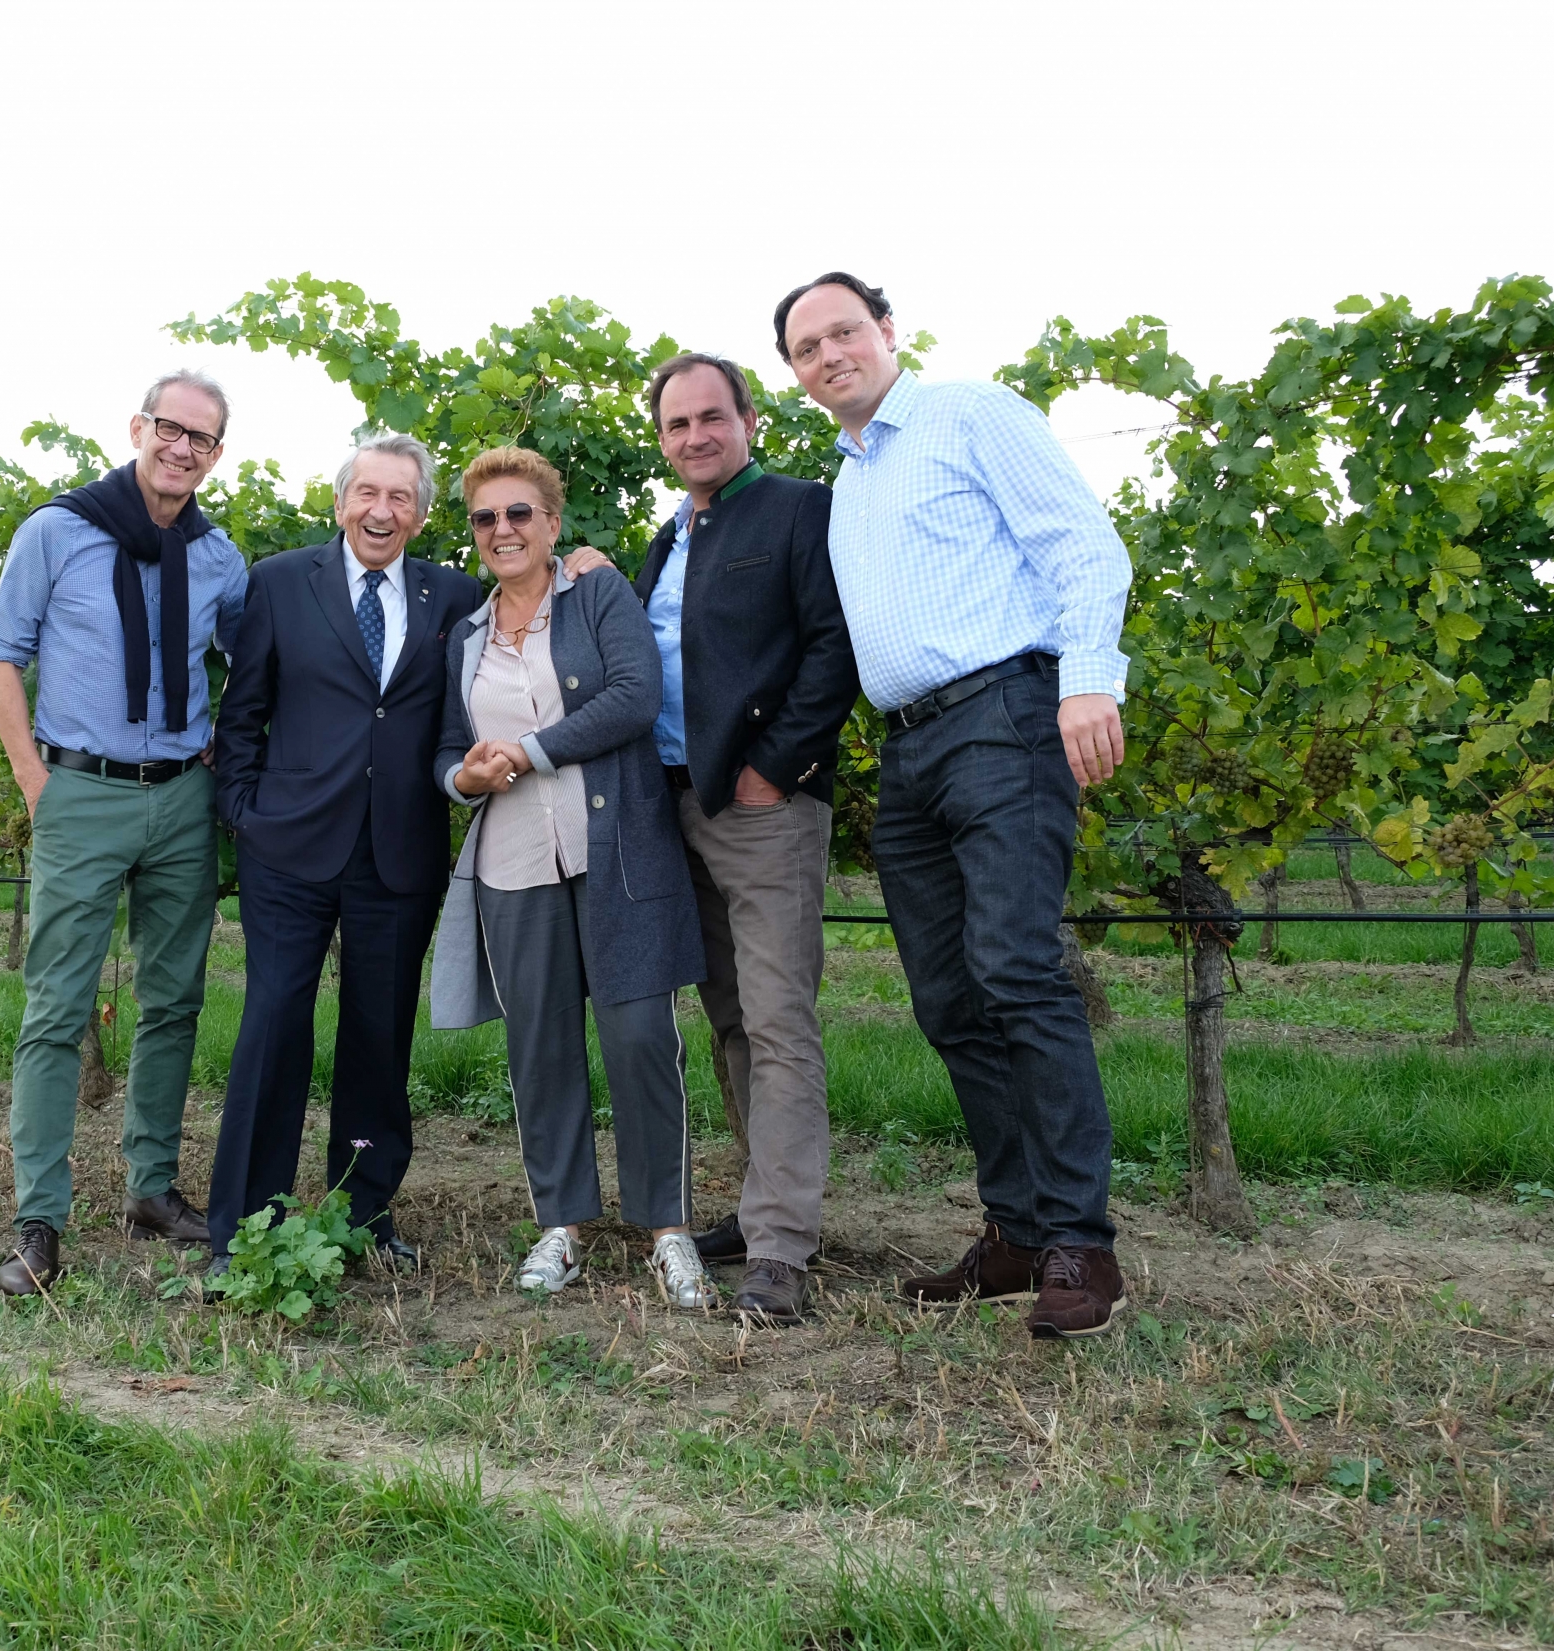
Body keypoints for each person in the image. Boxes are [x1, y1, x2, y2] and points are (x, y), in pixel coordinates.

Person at [775, 271, 1133, 1339]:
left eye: (844, 330)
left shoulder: (968, 413)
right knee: (948, 998)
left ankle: (1082, 1243)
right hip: (910, 751)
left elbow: (1083, 542)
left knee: (1018, 970)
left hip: (1003, 717)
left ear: (887, 330)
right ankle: (1016, 1232)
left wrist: (1088, 677)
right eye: (806, 347)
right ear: (795, 375)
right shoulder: (848, 478)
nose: (830, 353)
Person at [0, 369, 250, 1296]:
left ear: (217, 455)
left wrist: (224, 743)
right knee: (58, 1007)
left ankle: (150, 1189)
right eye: (170, 429)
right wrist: (33, 781)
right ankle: (39, 1220)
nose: (182, 448)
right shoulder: (57, 531)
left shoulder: (219, 558)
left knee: (174, 1002)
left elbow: (250, 663)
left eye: (202, 439)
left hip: (180, 799)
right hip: (81, 792)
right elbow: (3, 653)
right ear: (139, 427)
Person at [429, 446, 714, 1309]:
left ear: (552, 523)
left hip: (617, 853)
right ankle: (563, 1223)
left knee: (639, 1041)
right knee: (539, 1049)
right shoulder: (466, 637)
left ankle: (668, 1229)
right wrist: (463, 779)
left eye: (520, 513)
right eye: (486, 518)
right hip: (513, 865)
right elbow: (447, 746)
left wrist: (532, 750)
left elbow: (635, 696)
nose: (503, 529)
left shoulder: (597, 593)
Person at [206, 435, 484, 1272]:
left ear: (423, 514)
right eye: (368, 492)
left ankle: (363, 1216)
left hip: (397, 856)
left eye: (401, 498)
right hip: (287, 846)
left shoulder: (454, 596)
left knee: (376, 1041)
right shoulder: (282, 582)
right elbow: (242, 709)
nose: (382, 511)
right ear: (340, 502)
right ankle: (244, 1228)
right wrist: (244, 813)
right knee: (273, 1026)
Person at [631, 353, 859, 1325]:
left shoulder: (801, 511)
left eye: (709, 417)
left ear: (748, 419)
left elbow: (833, 643)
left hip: (761, 807)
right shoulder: (666, 537)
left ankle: (779, 1248)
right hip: (675, 802)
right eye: (676, 425)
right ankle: (759, 1205)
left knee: (776, 1021)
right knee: (725, 1014)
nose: (694, 436)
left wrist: (778, 764)